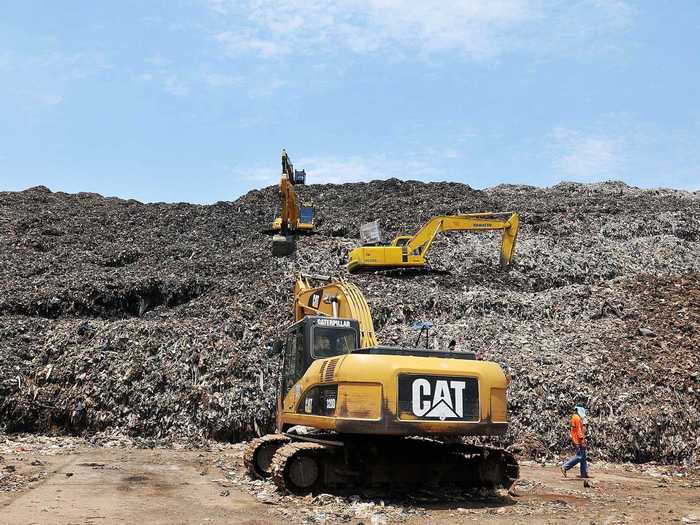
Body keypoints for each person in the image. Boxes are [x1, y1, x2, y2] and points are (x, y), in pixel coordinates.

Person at [561, 404, 590, 478]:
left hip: (577, 439)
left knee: (583, 457)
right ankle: (565, 467)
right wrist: (582, 440)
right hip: (578, 440)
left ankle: (584, 474)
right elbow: (579, 431)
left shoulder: (575, 417)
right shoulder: (577, 418)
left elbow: (574, 430)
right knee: (579, 456)